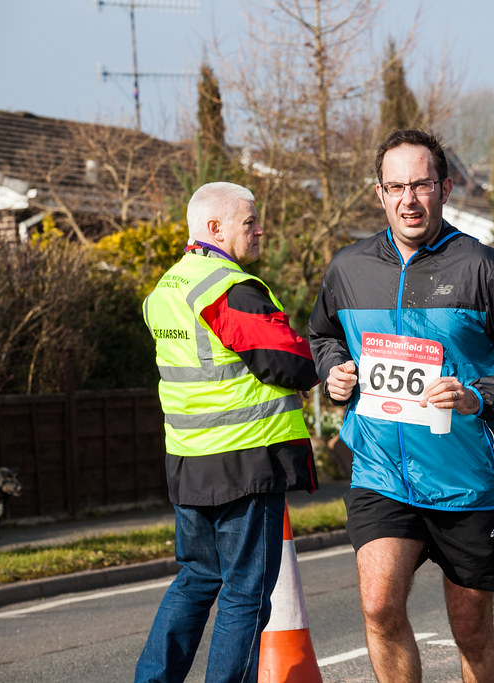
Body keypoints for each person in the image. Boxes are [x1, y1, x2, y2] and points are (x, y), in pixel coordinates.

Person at [309, 129, 494, 683]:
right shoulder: (349, 269)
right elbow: (322, 337)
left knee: (469, 628)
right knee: (378, 607)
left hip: (464, 479)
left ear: (445, 188)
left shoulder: (482, 268)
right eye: (396, 186)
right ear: (379, 193)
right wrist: (333, 370)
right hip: (381, 471)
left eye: (421, 184)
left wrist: (481, 395)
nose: (409, 199)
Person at [135, 181, 319, 683]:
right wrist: (314, 351)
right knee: (245, 592)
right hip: (244, 462)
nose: (261, 230)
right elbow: (291, 362)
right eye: (249, 222)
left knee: (196, 578)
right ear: (214, 228)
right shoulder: (229, 288)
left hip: (189, 461)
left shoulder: (167, 288)